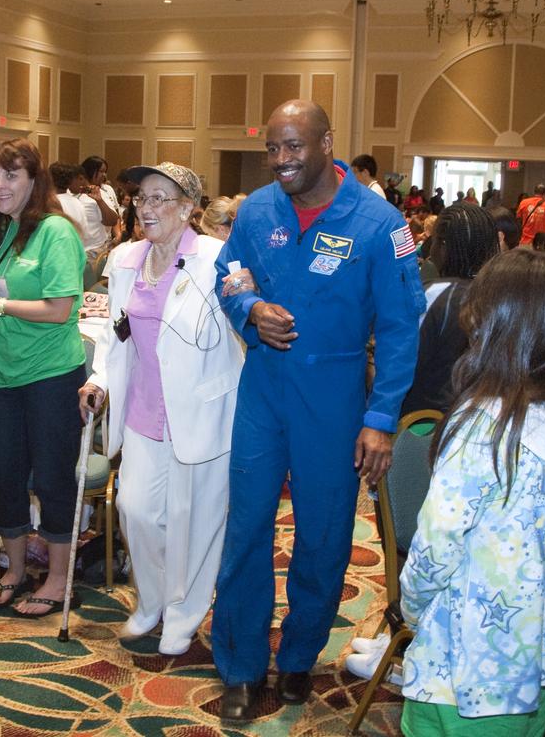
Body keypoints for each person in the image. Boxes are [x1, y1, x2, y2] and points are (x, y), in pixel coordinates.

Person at [210, 100, 423, 720]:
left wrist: (381, 419)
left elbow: (403, 327)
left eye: (294, 147)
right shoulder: (255, 211)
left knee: (324, 535)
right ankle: (242, 666)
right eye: (273, 148)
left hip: (334, 395)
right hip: (264, 391)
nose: (281, 160)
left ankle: (300, 655)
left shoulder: (381, 223)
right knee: (247, 528)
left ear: (327, 143)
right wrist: (249, 310)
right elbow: (229, 274)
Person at [400, 250, 545, 737]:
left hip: (464, 666)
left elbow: (435, 546)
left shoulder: (482, 425)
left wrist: (409, 608)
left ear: (489, 324)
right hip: (534, 654)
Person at [78, 163, 244, 655]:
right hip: (144, 409)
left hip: (201, 410)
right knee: (137, 510)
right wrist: (99, 379)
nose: (146, 208)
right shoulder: (127, 259)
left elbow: (243, 328)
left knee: (196, 517)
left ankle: (184, 613)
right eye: (141, 199)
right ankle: (150, 600)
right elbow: (115, 333)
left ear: (188, 209)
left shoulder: (218, 258)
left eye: (159, 198)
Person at [0, 138, 87, 617]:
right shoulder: (6, 232)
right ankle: (13, 569)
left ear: (34, 180)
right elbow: (8, 289)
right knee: (5, 471)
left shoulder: (56, 231)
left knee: (52, 478)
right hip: (7, 374)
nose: (0, 185)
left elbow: (59, 310)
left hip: (52, 374)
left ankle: (57, 577)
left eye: (11, 175)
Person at [401, 202, 500, 416]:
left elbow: (403, 362)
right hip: (481, 422)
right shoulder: (502, 295)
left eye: (434, 240)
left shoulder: (436, 294)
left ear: (444, 246)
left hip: (424, 425)